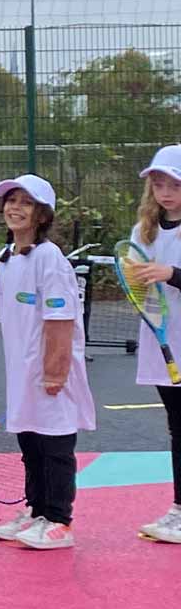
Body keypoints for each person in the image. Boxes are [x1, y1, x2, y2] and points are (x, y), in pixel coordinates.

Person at [0, 173, 94, 550]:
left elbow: (61, 320)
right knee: (30, 443)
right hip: (21, 371)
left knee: (55, 446)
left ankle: (59, 520)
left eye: (26, 203)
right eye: (11, 200)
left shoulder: (49, 259)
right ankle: (37, 511)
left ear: (43, 215)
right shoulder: (6, 257)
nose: (15, 208)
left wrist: (54, 371)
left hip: (51, 371)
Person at [122, 144, 181, 545]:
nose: (165, 191)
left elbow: (169, 274)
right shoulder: (144, 231)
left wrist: (171, 273)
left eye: (173, 183)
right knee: (178, 428)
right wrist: (138, 283)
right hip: (165, 344)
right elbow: (133, 281)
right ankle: (179, 509)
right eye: (158, 184)